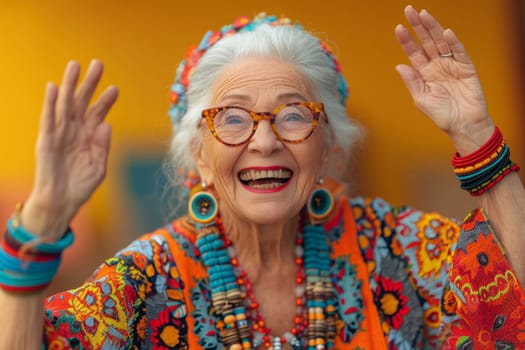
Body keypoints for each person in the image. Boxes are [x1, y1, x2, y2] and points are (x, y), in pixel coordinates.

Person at [1, 5, 524, 349]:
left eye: (294, 114)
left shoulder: (394, 247)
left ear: (327, 147)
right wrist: (43, 219)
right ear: (199, 157)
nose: (265, 140)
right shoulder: (149, 279)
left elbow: (513, 299)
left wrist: (477, 136)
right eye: (232, 118)